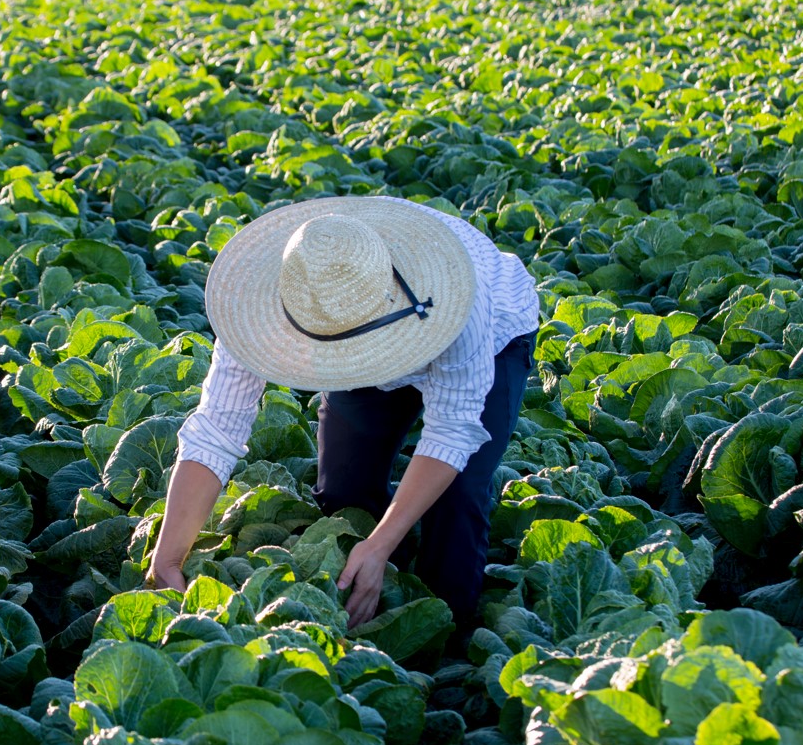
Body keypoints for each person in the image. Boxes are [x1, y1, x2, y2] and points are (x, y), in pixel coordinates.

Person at [145, 195, 539, 631]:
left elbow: (452, 431)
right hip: (355, 322)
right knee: (344, 493)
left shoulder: (458, 299)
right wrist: (168, 557)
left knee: (458, 498)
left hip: (495, 336)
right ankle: (367, 581)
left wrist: (380, 545)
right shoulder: (264, 302)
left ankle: (445, 643)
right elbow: (215, 430)